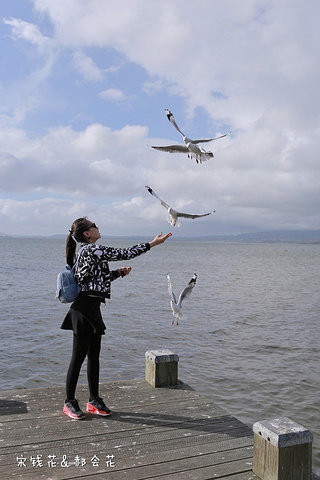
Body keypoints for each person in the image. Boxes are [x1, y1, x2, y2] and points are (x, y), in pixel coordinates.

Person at [61, 217, 171, 420]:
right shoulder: (93, 250)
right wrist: (153, 243)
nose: (97, 227)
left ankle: (93, 400)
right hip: (83, 310)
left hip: (92, 309)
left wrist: (119, 273)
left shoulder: (88, 253)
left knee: (94, 358)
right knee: (77, 359)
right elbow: (125, 253)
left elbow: (95, 279)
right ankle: (69, 402)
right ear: (87, 233)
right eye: (94, 225)